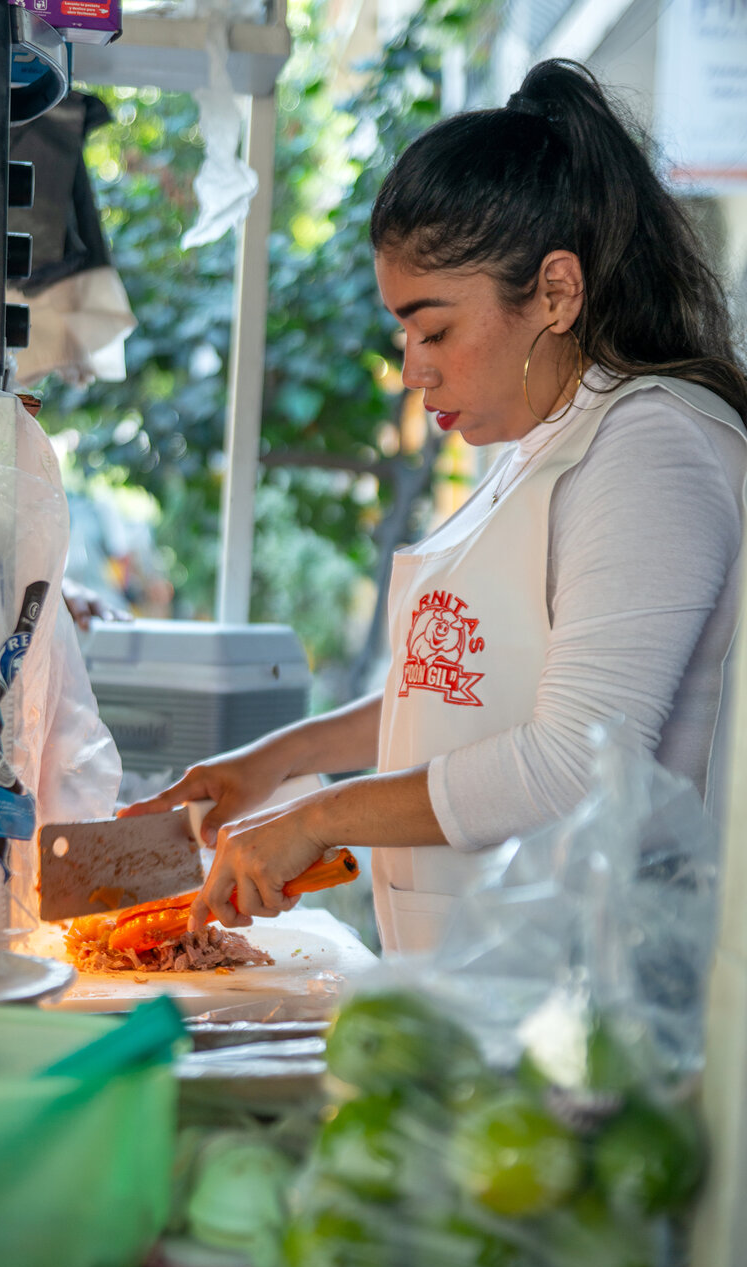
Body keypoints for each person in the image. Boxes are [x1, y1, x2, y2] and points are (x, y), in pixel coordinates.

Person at [120, 58, 747, 955]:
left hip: (616, 1001)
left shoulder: (651, 448)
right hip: (499, 988)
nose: (413, 366)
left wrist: (322, 815)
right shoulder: (554, 439)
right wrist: (276, 764)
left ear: (557, 292)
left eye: (435, 327)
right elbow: (460, 691)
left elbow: (575, 762)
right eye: (404, 332)